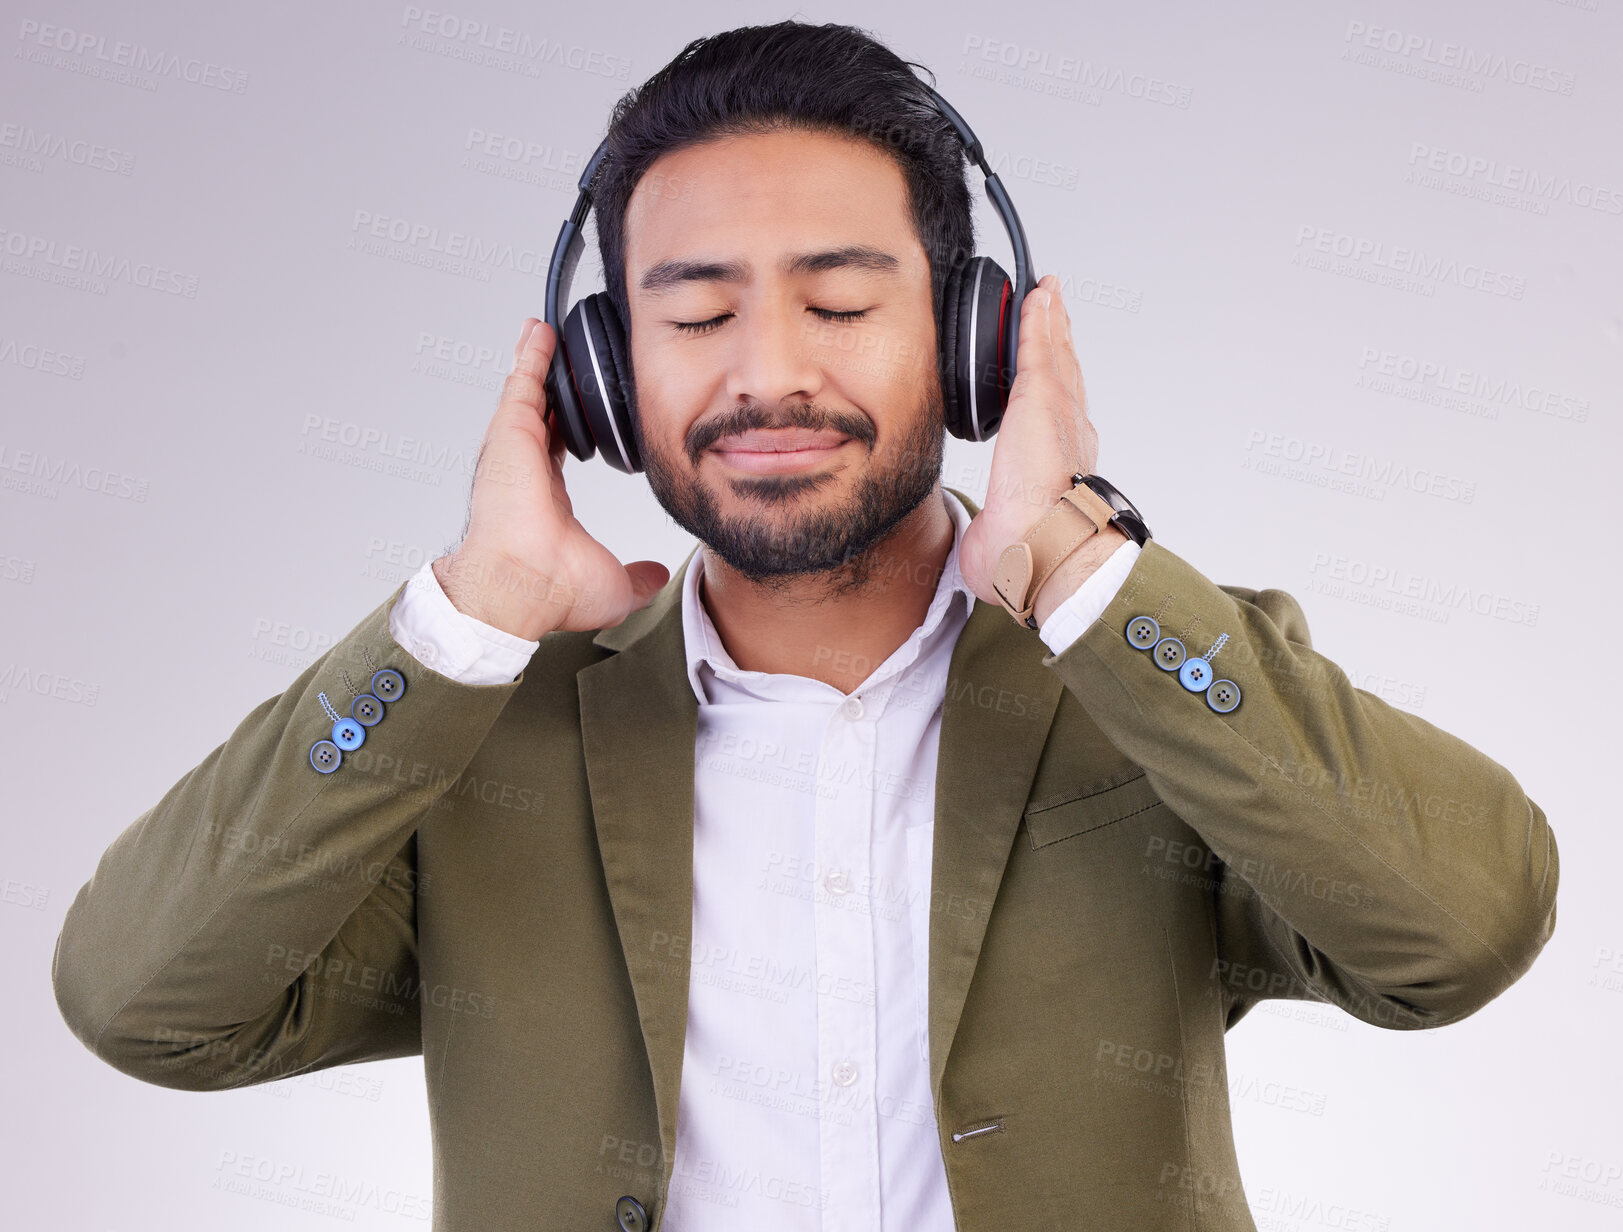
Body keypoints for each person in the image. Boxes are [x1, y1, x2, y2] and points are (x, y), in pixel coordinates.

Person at [51, 20, 1559, 1232]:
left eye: (840, 304)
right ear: (599, 375)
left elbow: (1464, 928)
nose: (767, 374)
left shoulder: (1145, 690)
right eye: (695, 319)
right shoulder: (486, 748)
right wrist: (472, 614)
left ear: (975, 341)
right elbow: (144, 1004)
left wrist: (1078, 565)